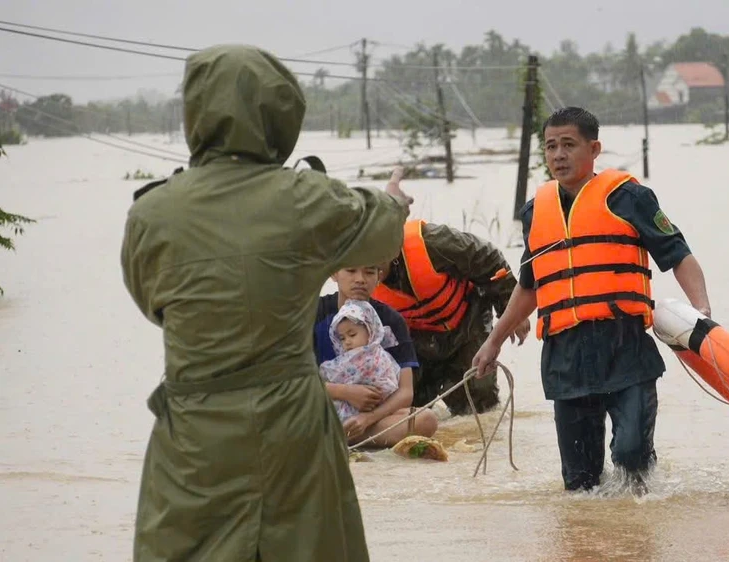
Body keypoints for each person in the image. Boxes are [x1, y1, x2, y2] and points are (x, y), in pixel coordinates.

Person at [120, 44, 413, 562]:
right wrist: (393, 198)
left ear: (195, 113)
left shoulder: (154, 213)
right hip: (293, 419)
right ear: (283, 113)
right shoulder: (308, 197)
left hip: (196, 424)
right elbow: (381, 233)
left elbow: (153, 303)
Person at [471, 106, 712, 495]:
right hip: (565, 357)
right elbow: (530, 285)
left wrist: (701, 312)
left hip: (625, 347)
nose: (559, 155)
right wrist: (492, 342)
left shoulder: (630, 198)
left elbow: (678, 256)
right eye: (551, 146)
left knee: (632, 455)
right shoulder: (536, 213)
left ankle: (635, 532)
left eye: (569, 145)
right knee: (580, 486)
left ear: (594, 148)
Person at [371, 219, 531, 416]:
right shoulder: (355, 284)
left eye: (373, 262)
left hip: (468, 322)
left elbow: (487, 258)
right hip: (419, 341)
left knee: (477, 404)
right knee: (407, 410)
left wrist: (510, 307)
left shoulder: (432, 242)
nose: (364, 275)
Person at [313, 266, 438, 443]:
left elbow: (405, 392)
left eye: (369, 272)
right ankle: (343, 435)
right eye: (351, 271)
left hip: (370, 417)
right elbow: (288, 381)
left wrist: (368, 418)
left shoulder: (392, 321)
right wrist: (346, 392)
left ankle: (343, 436)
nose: (360, 279)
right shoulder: (312, 314)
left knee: (426, 420)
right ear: (334, 273)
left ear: (379, 277)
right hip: (321, 408)